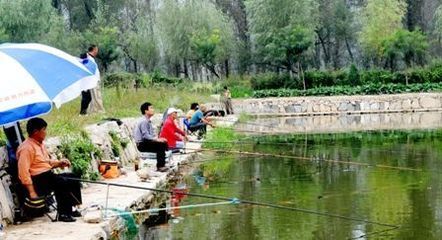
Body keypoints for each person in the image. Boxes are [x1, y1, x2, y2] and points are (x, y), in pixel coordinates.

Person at [17, 118, 82, 222]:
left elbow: (46, 162)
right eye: (44, 129)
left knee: (72, 177)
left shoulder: (40, 144)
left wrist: (59, 163)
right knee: (62, 182)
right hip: (37, 180)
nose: (46, 132)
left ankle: (72, 207)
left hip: (47, 175)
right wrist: (32, 191)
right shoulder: (26, 148)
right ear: (36, 132)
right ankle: (63, 214)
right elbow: (23, 172)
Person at [134, 102, 169, 172]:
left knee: (164, 143)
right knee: (161, 145)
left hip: (146, 142)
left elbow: (151, 136)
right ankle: (160, 166)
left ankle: (163, 161)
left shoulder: (148, 121)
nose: (153, 110)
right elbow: (145, 136)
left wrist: (159, 139)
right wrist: (157, 140)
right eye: (151, 108)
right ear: (146, 111)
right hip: (142, 144)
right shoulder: (144, 121)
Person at [79, 45, 101, 115]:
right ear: (94, 49)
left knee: (89, 97)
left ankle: (86, 111)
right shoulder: (86, 56)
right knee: (86, 96)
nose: (97, 51)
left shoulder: (92, 58)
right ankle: (82, 112)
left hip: (91, 81)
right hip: (86, 80)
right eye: (96, 50)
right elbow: (82, 61)